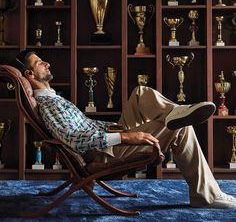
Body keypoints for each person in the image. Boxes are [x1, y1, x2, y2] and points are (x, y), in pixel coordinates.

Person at [11, 50, 236, 208]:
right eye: (40, 62)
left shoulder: (52, 97)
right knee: (180, 129)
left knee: (140, 93)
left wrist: (117, 129)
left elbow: (82, 129)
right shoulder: (48, 104)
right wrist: (126, 135)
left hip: (107, 134)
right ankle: (206, 196)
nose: (47, 64)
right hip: (103, 152)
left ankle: (176, 111)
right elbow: (76, 140)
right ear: (29, 75)